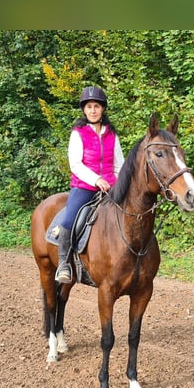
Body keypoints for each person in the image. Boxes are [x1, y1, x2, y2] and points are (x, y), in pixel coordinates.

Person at [55, 85, 124, 283]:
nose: (93, 110)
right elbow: (75, 164)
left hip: (111, 187)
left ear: (103, 109)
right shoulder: (78, 133)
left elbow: (120, 165)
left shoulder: (112, 134)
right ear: (84, 110)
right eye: (89, 107)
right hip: (84, 187)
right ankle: (64, 264)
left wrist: (120, 184)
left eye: (96, 106)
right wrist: (96, 179)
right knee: (68, 221)